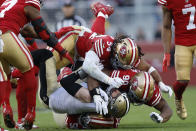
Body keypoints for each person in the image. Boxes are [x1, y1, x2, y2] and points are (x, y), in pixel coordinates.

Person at [0, 0, 73, 130]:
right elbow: (41, 28)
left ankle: (6, 106)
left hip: (5, 38)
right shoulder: (30, 4)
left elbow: (28, 33)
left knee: (5, 77)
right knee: (28, 69)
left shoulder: (8, 3)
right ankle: (30, 114)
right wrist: (60, 49)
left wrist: (54, 36)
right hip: (6, 35)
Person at [159, 0, 196, 120]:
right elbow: (166, 26)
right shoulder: (169, 1)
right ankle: (178, 97)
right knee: (182, 81)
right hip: (182, 43)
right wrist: (167, 53)